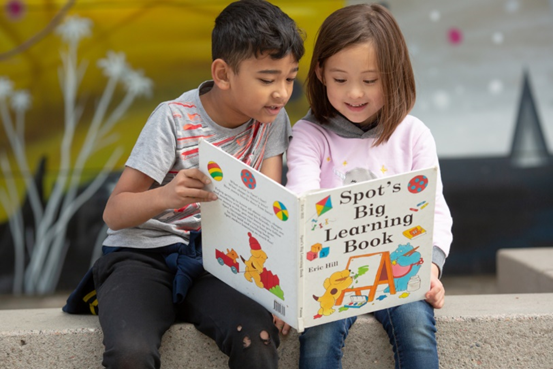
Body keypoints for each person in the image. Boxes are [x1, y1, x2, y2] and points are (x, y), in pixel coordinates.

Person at [62, 1, 304, 368]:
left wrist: (282, 293)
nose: (281, 93)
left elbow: (270, 213)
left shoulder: (272, 120)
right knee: (131, 351)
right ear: (223, 74)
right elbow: (115, 213)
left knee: (258, 337)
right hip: (142, 255)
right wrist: (167, 195)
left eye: (290, 78)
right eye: (268, 80)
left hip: (219, 261)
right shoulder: (173, 120)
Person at [284, 3, 453, 369]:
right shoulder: (310, 135)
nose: (355, 93)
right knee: (318, 337)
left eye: (371, 80)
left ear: (394, 75)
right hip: (333, 275)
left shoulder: (412, 134)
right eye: (340, 79)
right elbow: (302, 199)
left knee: (417, 328)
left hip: (399, 270)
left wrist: (430, 270)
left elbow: (434, 210)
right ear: (320, 73)